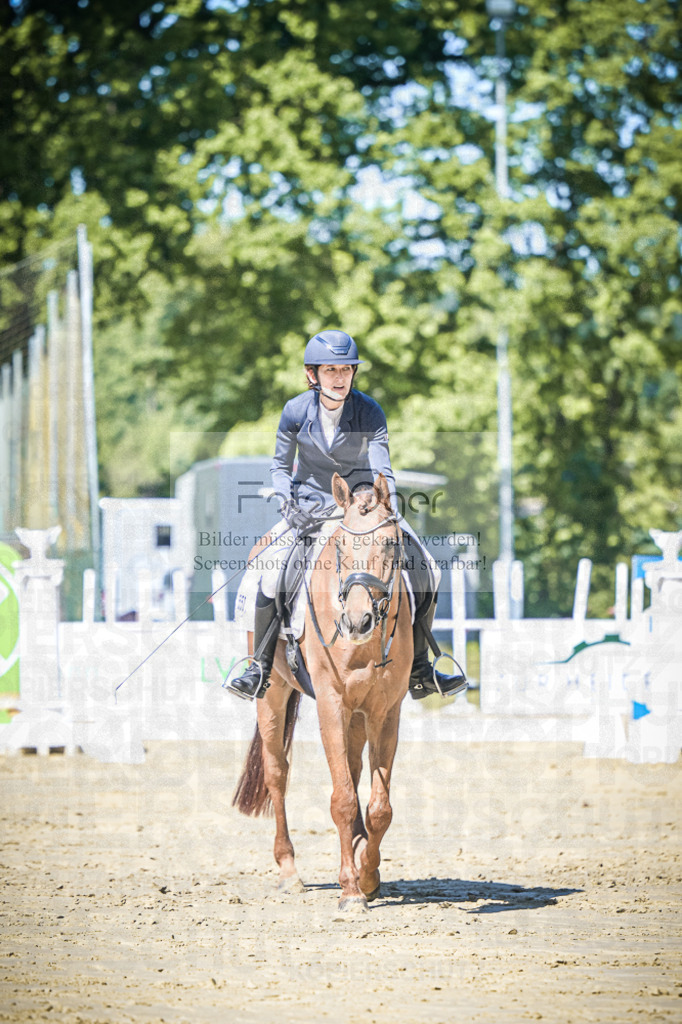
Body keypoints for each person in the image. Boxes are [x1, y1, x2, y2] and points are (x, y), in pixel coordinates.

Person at [227, 329, 466, 702]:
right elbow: (279, 466)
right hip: (308, 508)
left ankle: (420, 666)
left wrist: (382, 501)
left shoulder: (369, 410)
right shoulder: (294, 411)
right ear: (313, 375)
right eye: (331, 370)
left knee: (428, 567)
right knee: (269, 572)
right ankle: (257, 667)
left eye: (346, 370)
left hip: (361, 508)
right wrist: (287, 502)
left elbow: (381, 464)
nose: (339, 378)